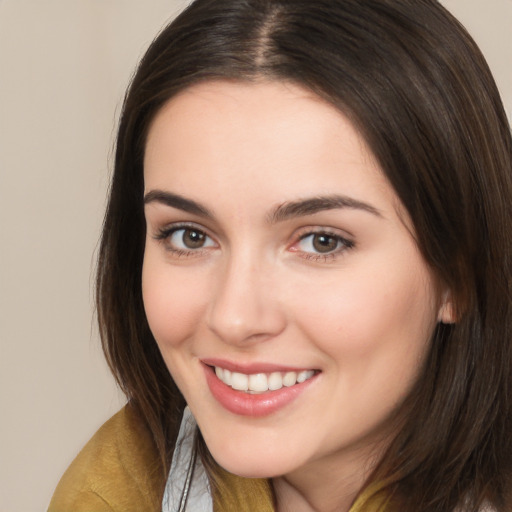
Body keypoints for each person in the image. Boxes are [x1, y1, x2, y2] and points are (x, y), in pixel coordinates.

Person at [49, 0, 512, 511]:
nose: (235, 317)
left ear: (459, 275)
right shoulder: (111, 491)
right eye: (189, 236)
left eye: (321, 241)